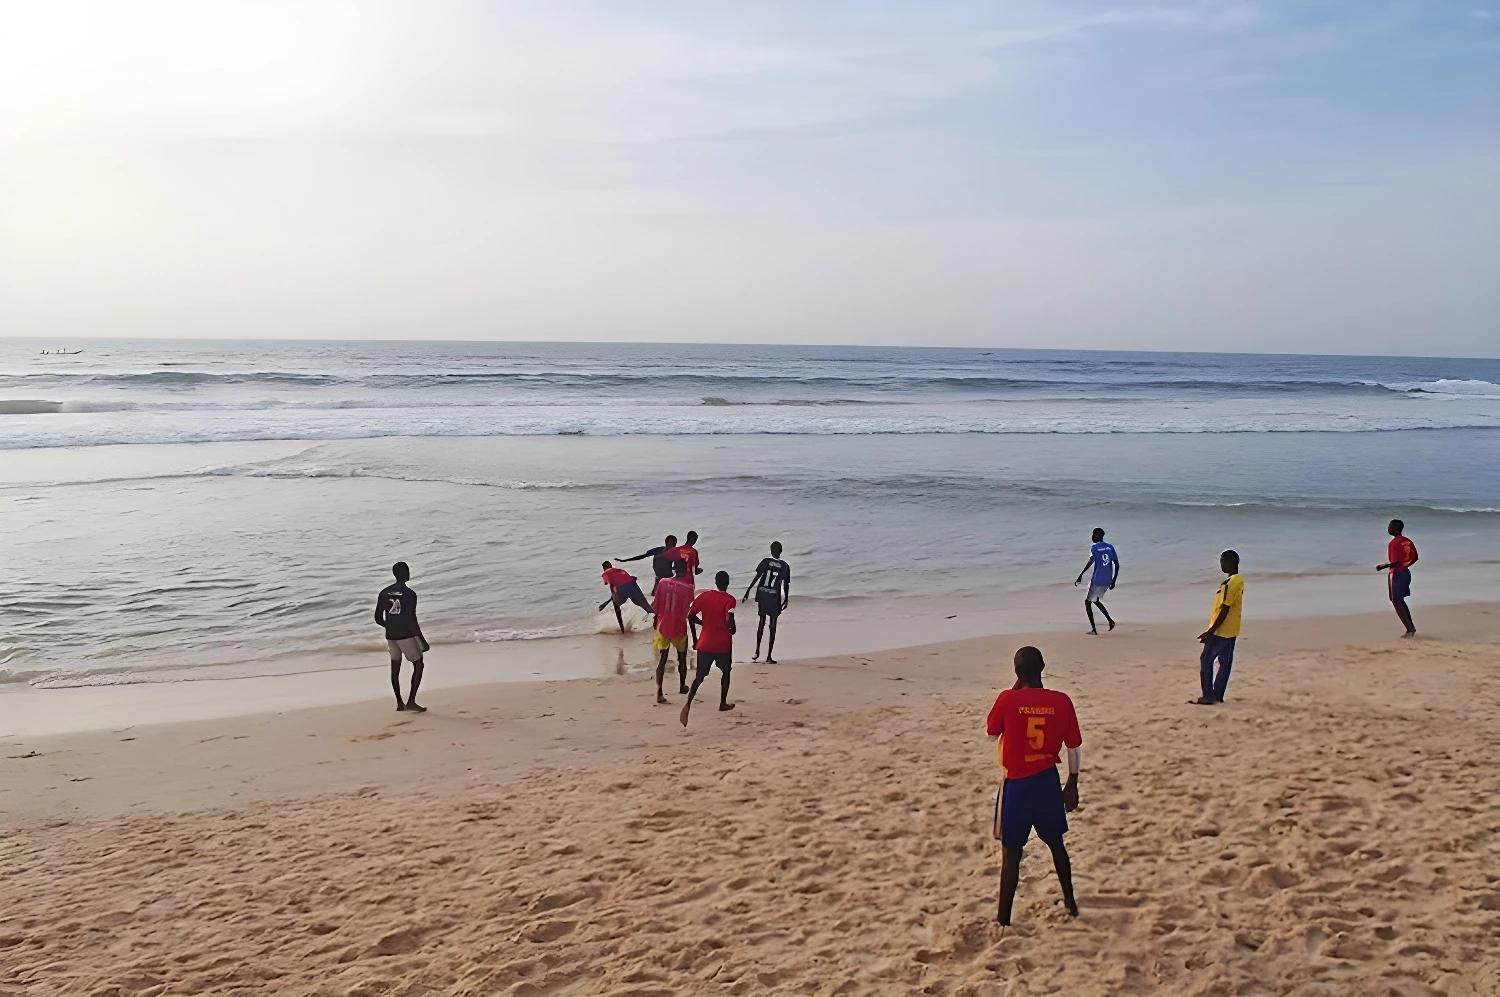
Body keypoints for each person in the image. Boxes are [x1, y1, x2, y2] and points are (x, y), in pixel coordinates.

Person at [985, 646, 1081, 926]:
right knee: (1056, 846)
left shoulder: (1008, 699)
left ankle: (1004, 919)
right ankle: (1071, 903)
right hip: (1047, 782)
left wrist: (1015, 691)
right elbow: (1073, 747)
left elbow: (991, 733)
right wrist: (1072, 783)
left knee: (1011, 854)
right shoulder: (1062, 701)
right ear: (1043, 668)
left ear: (1017, 672)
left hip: (1016, 785)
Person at [681, 570, 737, 727]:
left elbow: (690, 616)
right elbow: (730, 621)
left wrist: (697, 635)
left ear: (716, 582)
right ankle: (722, 703)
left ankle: (689, 702)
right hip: (722, 645)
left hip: (705, 644)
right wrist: (731, 628)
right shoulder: (730, 600)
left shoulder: (703, 597)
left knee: (699, 677)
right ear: (727, 583)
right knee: (726, 672)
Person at [374, 561, 429, 713]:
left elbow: (378, 618)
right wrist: (422, 641)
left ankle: (399, 702)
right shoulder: (410, 594)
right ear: (405, 573)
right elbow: (412, 620)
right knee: (419, 665)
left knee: (395, 668)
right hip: (405, 635)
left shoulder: (384, 592)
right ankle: (411, 701)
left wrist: (390, 626)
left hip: (390, 635)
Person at [1192, 550, 1244, 706]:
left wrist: (1210, 631)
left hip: (1221, 630)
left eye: (1223, 561)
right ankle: (1218, 695)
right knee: (1225, 662)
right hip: (1232, 629)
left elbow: (1225, 609)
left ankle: (1208, 695)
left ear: (1231, 562)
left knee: (1206, 659)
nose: (1221, 564)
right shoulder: (1237, 580)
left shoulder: (1231, 583)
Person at [652, 560, 695, 703]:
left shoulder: (663, 582)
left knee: (662, 660)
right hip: (678, 627)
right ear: (686, 571)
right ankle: (682, 686)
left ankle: (659, 692)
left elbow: (656, 605)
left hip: (663, 626)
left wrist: (655, 620)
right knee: (681, 658)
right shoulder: (688, 588)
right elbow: (688, 612)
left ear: (673, 569)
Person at [743, 541, 791, 663]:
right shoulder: (785, 566)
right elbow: (785, 585)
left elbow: (758, 576)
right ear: (781, 551)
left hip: (763, 594)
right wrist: (786, 598)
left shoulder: (765, 561)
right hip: (774, 596)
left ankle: (757, 650)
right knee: (772, 625)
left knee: (761, 622)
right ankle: (769, 656)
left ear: (770, 550)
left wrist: (748, 590)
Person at [1376, 519, 1418, 638]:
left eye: (1389, 526)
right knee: (1400, 601)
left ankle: (1410, 630)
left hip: (1396, 574)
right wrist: (1405, 565)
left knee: (1396, 601)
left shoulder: (1394, 543)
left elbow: (1395, 562)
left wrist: (1383, 566)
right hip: (1405, 573)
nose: (1388, 528)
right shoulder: (1407, 541)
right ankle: (1410, 628)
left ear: (1394, 528)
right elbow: (1415, 557)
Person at [1072, 527, 1119, 635]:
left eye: (1093, 535)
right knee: (1095, 600)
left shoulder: (1094, 548)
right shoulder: (1110, 547)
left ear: (1097, 536)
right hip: (1107, 580)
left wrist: (1080, 575)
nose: (1092, 537)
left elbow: (1091, 562)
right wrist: (1114, 580)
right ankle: (1110, 621)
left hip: (1097, 580)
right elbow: (1117, 564)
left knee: (1087, 602)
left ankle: (1094, 630)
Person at [599, 561, 653, 633]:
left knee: (616, 605)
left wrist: (611, 598)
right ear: (611, 566)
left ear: (604, 568)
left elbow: (608, 584)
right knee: (644, 604)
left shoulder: (605, 573)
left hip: (622, 589)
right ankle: (660, 617)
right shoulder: (620, 570)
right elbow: (626, 581)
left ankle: (622, 630)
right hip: (633, 586)